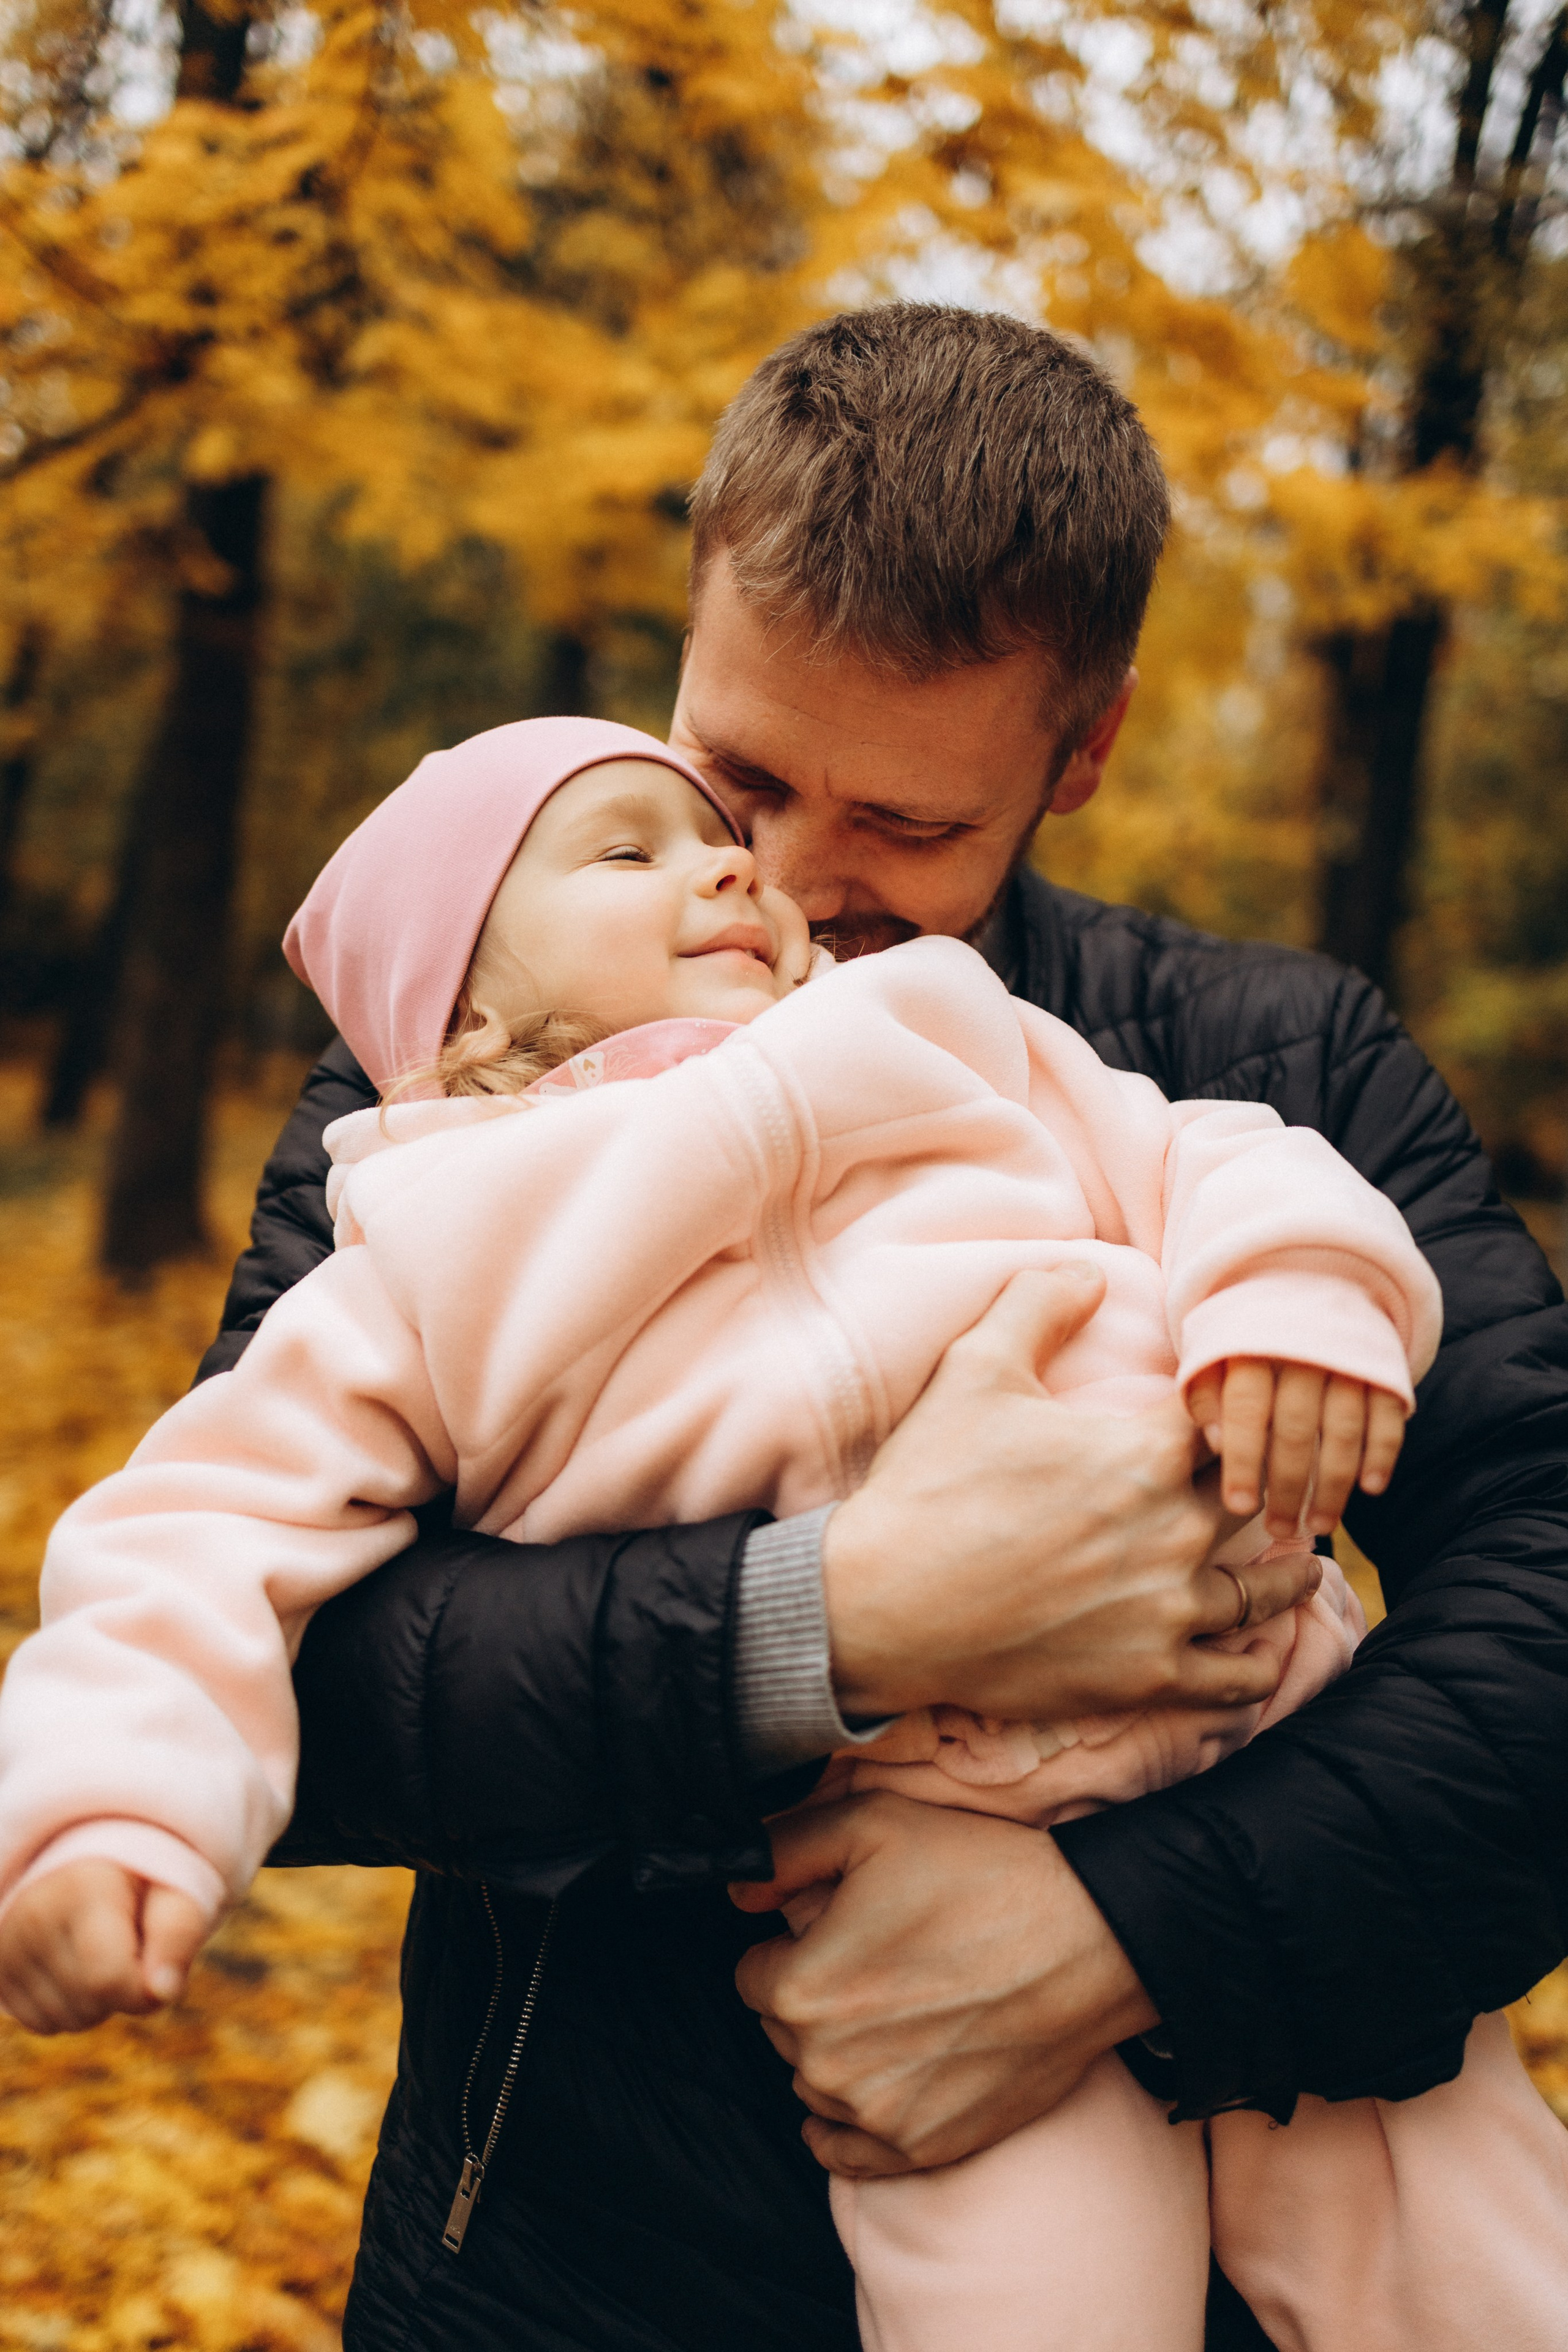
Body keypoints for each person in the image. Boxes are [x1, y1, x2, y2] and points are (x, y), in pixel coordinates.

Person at [149, 306, 1566, 2351]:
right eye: (737, 777)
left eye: (905, 828)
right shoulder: (468, 1087)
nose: (783, 886)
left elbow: (1546, 1584)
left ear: (1083, 754)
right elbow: (295, 1683)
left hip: (1225, 2200)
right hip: (567, 2272)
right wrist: (834, 1617)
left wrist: (1127, 1937)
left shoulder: (1278, 1063)